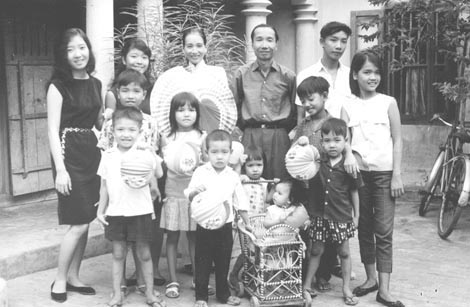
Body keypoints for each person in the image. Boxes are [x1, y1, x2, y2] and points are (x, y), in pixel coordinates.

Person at [341, 50, 405, 307]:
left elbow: (398, 139)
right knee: (364, 227)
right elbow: (344, 136)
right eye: (367, 72)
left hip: (385, 173)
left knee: (384, 230)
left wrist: (397, 174)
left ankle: (385, 290)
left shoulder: (388, 102)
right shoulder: (348, 103)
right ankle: (370, 280)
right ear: (355, 74)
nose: (373, 77)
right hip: (358, 175)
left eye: (377, 72)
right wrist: (348, 155)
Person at [103, 37, 167, 288]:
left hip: (144, 181)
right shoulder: (112, 117)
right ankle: (128, 281)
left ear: (144, 93)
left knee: (144, 232)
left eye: (144, 56)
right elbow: (107, 153)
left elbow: (153, 153)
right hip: (118, 184)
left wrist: (152, 179)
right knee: (122, 237)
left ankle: (146, 280)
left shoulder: (152, 114)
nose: (139, 61)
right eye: (134, 55)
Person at [47, 28, 102, 303]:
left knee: (87, 219)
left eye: (81, 47)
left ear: (88, 49)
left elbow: (99, 121)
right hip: (68, 155)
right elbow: (52, 131)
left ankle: (74, 276)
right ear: (63, 55)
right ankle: (59, 278)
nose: (78, 54)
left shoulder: (96, 83)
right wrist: (61, 170)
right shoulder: (58, 86)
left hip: (91, 154)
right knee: (77, 223)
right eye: (71, 50)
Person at [96, 107, 166, 307]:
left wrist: (152, 152)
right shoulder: (108, 155)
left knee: (144, 253)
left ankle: (150, 294)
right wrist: (101, 210)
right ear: (113, 131)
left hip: (141, 211)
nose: (126, 134)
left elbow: (159, 174)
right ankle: (117, 294)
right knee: (118, 254)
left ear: (139, 131)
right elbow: (104, 186)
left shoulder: (144, 153)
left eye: (131, 130)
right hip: (116, 212)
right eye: (120, 129)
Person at [185, 130, 251, 307]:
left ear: (231, 153)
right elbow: (189, 193)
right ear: (207, 152)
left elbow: (240, 200)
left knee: (223, 260)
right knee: (203, 261)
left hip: (225, 225)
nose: (219, 157)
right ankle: (201, 296)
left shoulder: (232, 175)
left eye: (224, 152)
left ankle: (223, 293)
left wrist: (247, 221)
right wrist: (193, 193)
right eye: (214, 152)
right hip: (204, 225)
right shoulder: (201, 172)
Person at [302, 118, 362, 306]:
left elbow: (354, 191)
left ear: (345, 141)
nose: (332, 145)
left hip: (341, 215)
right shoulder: (318, 161)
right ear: (321, 143)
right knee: (316, 249)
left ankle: (346, 288)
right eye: (327, 141)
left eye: (337, 140)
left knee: (344, 252)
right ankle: (306, 285)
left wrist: (356, 215)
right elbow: (301, 162)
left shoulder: (349, 164)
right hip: (319, 215)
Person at [231, 24, 297, 180]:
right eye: (259, 40)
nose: (264, 45)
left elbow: (295, 110)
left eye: (269, 40)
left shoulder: (288, 76)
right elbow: (234, 106)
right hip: (250, 135)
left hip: (279, 135)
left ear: (276, 45)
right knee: (248, 183)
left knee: (279, 182)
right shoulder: (241, 74)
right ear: (252, 44)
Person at [159, 91, 208, 299]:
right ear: (173, 113)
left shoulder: (202, 136)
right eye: (180, 110)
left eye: (191, 109)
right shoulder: (166, 137)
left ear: (197, 113)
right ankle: (172, 279)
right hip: (173, 191)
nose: (186, 114)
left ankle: (199, 279)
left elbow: (207, 162)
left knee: (194, 236)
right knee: (172, 236)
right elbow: (161, 166)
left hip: (195, 193)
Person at [151, 27, 237, 136]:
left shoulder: (218, 73)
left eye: (199, 46)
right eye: (190, 46)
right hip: (182, 131)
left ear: (206, 48)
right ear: (183, 49)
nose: (194, 51)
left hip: (211, 128)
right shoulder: (174, 75)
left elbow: (223, 107)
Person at [295, 21, 352, 123]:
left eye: (344, 41)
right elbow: (301, 116)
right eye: (333, 40)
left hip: (346, 136)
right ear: (322, 42)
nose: (339, 46)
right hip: (315, 135)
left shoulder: (351, 75)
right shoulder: (305, 75)